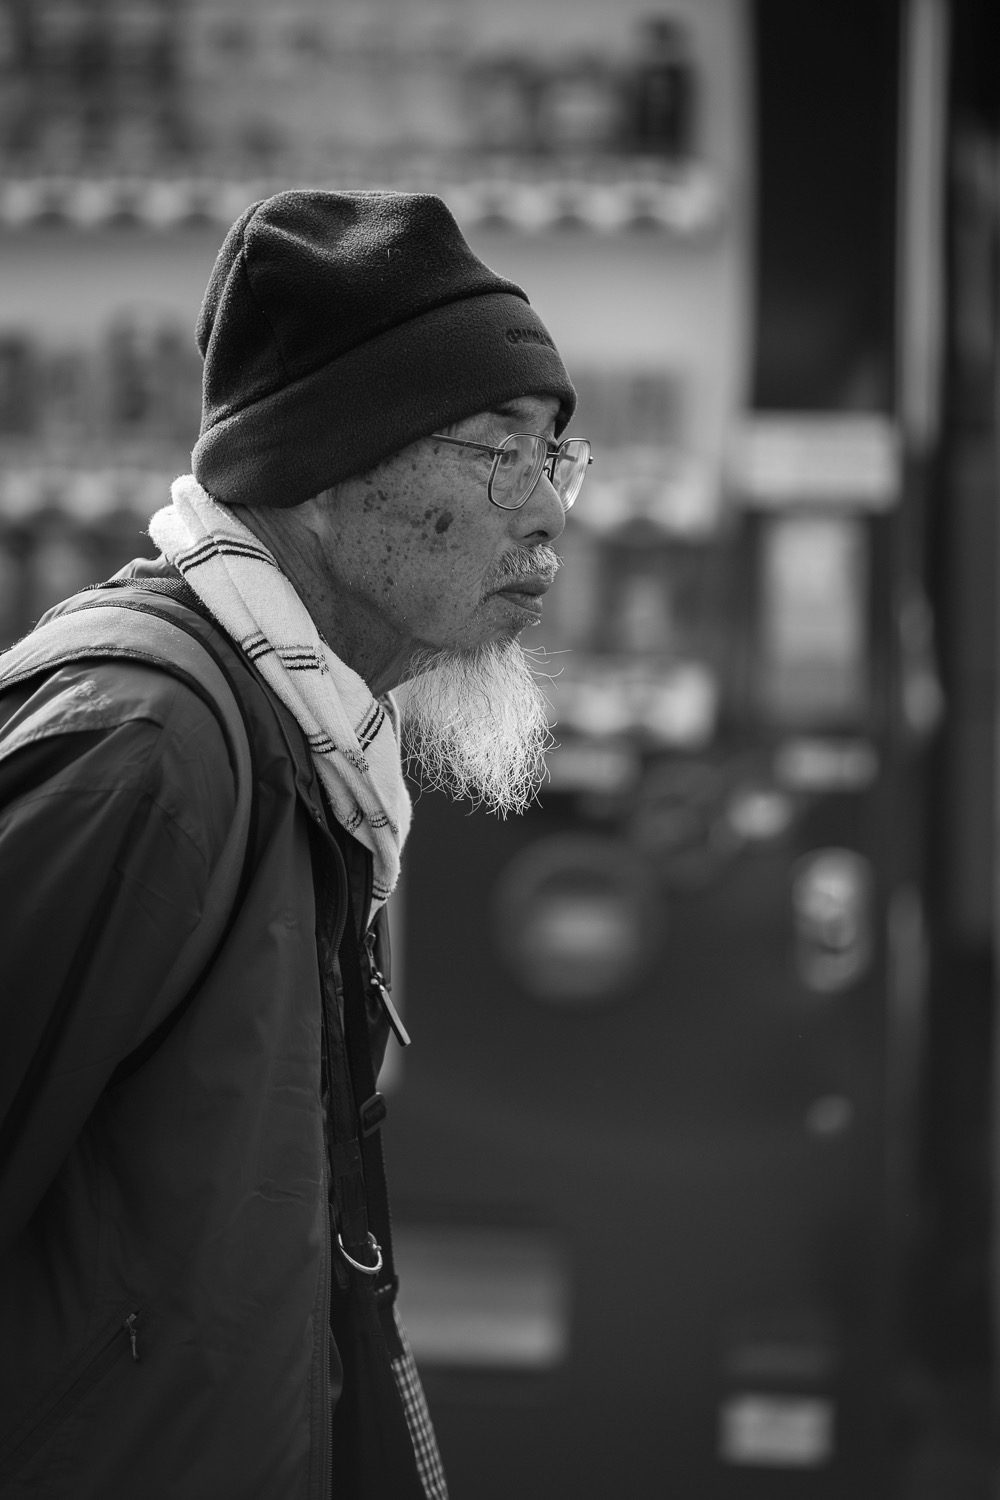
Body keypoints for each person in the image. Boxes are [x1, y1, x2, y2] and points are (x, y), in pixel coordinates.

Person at [0, 190, 589, 1500]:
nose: (550, 513)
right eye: (499, 452)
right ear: (327, 469)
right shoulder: (148, 751)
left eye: (556, 457)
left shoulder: (301, 737)